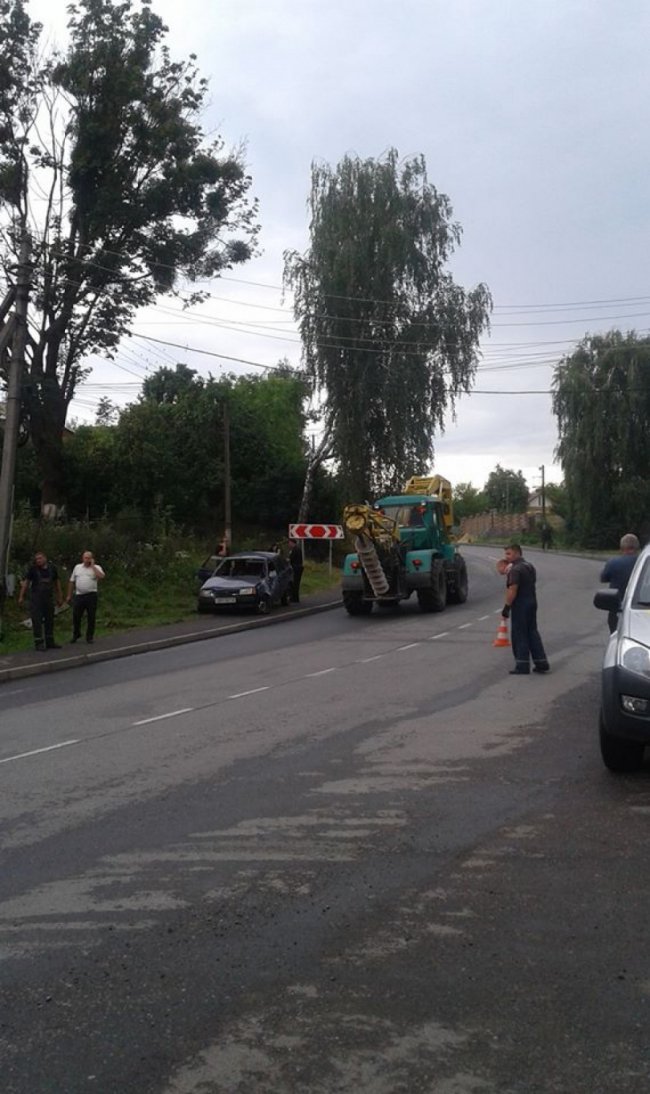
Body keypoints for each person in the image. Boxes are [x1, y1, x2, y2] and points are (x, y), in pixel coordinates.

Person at [501, 543, 549, 675]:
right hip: (532, 602)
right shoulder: (529, 566)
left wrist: (507, 607)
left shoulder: (515, 570)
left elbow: (513, 589)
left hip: (520, 604)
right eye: (506, 554)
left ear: (517, 553)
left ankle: (522, 665)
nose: (507, 556)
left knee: (519, 633)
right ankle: (541, 662)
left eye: (509, 554)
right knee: (532, 632)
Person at [18, 551, 64, 651]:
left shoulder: (52, 568)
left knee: (50, 620)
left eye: (40, 558)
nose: (38, 560)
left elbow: (57, 583)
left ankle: (50, 642)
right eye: (37, 559)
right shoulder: (33, 570)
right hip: (36, 599)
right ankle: (39, 643)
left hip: (48, 598)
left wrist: (59, 596)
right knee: (37, 621)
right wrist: (21, 596)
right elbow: (26, 583)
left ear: (45, 558)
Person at [600, 533, 640, 634]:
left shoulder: (613, 562)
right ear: (637, 548)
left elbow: (603, 578)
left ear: (622, 548)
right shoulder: (643, 563)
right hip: (641, 606)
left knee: (615, 636)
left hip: (618, 607)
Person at [67, 550, 105, 644]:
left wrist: (92, 566)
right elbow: (72, 581)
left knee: (91, 616)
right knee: (76, 616)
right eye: (85, 558)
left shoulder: (96, 567)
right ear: (82, 558)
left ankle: (89, 636)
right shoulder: (77, 567)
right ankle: (76, 634)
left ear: (91, 559)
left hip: (91, 595)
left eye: (88, 558)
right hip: (79, 595)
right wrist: (69, 595)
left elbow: (101, 576)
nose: (86, 559)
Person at [288, 537, 304, 603]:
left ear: (292, 543)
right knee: (296, 583)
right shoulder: (297, 549)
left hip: (296, 568)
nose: (289, 545)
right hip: (298, 567)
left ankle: (294, 598)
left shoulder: (295, 550)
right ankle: (295, 598)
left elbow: (291, 558)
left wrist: (288, 559)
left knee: (295, 583)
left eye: (289, 543)